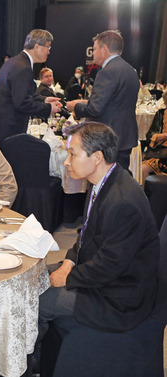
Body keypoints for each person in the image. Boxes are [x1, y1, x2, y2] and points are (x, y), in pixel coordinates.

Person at [37, 121, 158, 344]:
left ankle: (28, 361)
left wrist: (69, 277)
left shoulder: (123, 202)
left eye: (72, 154)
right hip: (102, 274)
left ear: (97, 157)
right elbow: (87, 233)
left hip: (119, 296)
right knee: (31, 277)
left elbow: (111, 265)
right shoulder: (102, 182)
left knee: (38, 301)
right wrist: (69, 262)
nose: (66, 162)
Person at [66, 30, 139, 171]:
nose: (93, 53)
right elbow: (115, 101)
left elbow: (95, 109)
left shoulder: (107, 72)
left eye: (94, 49)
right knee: (119, 179)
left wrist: (75, 107)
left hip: (108, 138)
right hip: (125, 135)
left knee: (106, 183)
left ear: (104, 49)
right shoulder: (130, 70)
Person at [0, 29, 62, 143]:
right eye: (48, 47)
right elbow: (22, 103)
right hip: (4, 128)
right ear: (37, 46)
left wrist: (45, 100)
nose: (49, 52)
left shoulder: (15, 61)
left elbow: (18, 94)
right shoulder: (23, 67)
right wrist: (49, 108)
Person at [142, 91, 167, 180]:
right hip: (160, 154)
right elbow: (149, 136)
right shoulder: (160, 114)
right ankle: (143, 194)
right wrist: (164, 135)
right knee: (142, 170)